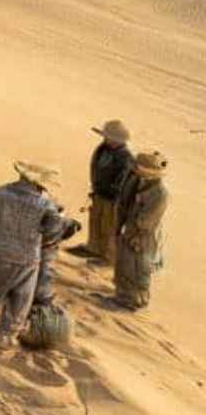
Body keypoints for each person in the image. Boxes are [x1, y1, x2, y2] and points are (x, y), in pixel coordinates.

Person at [0, 161, 65, 350]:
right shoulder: (46, 204)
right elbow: (54, 231)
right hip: (28, 258)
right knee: (21, 299)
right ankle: (6, 336)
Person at [113, 150, 171, 311]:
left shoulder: (160, 193)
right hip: (130, 231)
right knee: (125, 264)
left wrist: (134, 232)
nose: (135, 169)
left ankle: (135, 301)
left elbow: (147, 221)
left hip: (144, 237)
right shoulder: (138, 181)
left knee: (139, 268)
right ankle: (122, 296)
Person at [77, 119, 134, 262]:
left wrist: (113, 194)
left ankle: (107, 257)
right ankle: (94, 248)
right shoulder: (102, 148)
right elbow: (95, 167)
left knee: (108, 227)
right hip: (99, 193)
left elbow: (123, 181)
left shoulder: (125, 158)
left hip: (112, 198)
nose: (105, 139)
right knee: (95, 220)